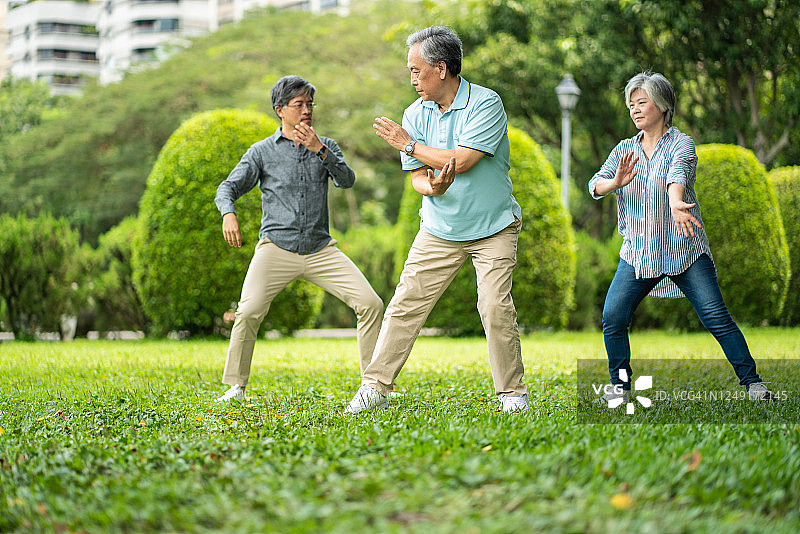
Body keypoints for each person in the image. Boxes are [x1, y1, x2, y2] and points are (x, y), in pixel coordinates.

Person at [344, 26, 529, 413]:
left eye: (416, 70)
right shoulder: (414, 113)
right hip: (440, 229)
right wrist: (434, 188)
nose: (412, 79)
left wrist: (408, 145)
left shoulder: (485, 103)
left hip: (493, 227)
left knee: (494, 307)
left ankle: (512, 394)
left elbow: (462, 160)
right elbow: (418, 180)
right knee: (405, 304)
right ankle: (374, 388)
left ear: (441, 69)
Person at [588, 71, 775, 403]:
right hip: (638, 253)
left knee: (716, 317)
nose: (634, 109)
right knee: (613, 317)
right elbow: (595, 184)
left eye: (641, 102)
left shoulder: (681, 143)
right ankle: (620, 387)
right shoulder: (624, 149)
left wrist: (676, 202)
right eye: (631, 105)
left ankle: (753, 384)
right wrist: (614, 183)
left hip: (683, 250)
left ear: (662, 105)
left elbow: (678, 174)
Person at [214, 75, 383, 402]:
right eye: (299, 105)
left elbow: (347, 180)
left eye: (310, 104)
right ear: (280, 110)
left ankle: (374, 385)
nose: (307, 110)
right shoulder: (262, 152)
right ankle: (236, 387)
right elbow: (228, 187)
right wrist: (228, 213)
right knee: (248, 312)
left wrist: (320, 150)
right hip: (276, 249)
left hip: (321, 250)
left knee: (371, 304)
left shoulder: (326, 145)